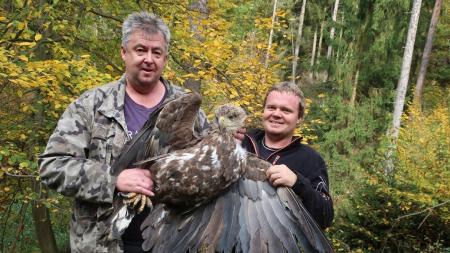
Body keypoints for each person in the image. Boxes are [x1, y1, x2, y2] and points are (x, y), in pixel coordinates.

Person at [38, 12, 208, 252]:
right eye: (140, 50)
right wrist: (114, 179)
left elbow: (208, 170)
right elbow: (52, 166)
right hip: (101, 244)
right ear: (123, 53)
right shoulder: (92, 105)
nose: (149, 59)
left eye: (156, 52)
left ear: (165, 58)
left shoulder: (189, 109)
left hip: (170, 241)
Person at [241, 81, 333, 229]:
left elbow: (326, 217)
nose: (276, 114)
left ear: (299, 118)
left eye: (286, 110)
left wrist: (298, 183)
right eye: (271, 107)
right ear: (263, 111)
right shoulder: (240, 141)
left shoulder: (310, 159)